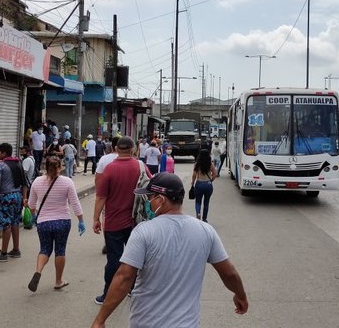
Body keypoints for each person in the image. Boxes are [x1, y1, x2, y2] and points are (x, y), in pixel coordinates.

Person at [90, 172, 248, 328]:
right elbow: (229, 273)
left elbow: (124, 277)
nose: (148, 202)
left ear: (160, 200)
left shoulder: (144, 231)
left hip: (146, 323)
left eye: (150, 197)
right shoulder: (206, 231)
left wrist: (100, 319)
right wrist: (240, 295)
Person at [92, 136, 151, 305]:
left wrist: (96, 219)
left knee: (113, 259)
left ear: (116, 149)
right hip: (136, 222)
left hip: (113, 223)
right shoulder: (140, 166)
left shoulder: (109, 169)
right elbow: (151, 186)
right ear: (133, 149)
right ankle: (132, 289)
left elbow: (101, 197)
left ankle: (107, 294)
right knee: (135, 258)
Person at [27, 155, 86, 292]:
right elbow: (75, 203)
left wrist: (34, 216)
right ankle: (58, 281)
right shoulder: (67, 182)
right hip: (62, 221)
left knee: (44, 249)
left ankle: (38, 271)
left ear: (45, 167)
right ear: (60, 167)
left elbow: (31, 204)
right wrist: (81, 220)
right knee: (60, 250)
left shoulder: (37, 181)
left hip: (44, 222)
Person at [0, 143, 27, 262]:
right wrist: (24, 197)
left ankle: (4, 253)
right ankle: (16, 249)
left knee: (6, 225)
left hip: (5, 197)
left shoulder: (0, 165)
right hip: (17, 196)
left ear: (4, 153)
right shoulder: (18, 163)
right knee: (15, 222)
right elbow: (24, 183)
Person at [191, 149, 218, 222]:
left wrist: (192, 183)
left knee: (198, 201)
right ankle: (204, 218)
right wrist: (211, 180)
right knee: (206, 202)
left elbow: (194, 175)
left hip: (199, 184)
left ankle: (198, 213)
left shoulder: (197, 164)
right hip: (208, 185)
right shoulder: (210, 164)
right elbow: (215, 174)